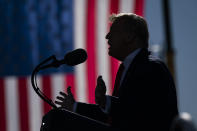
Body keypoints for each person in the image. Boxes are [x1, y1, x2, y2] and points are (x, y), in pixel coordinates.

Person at [55, 13, 179, 131]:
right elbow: (117, 117)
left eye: (113, 32)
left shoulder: (151, 67)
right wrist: (75, 107)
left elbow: (137, 113)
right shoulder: (131, 68)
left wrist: (106, 101)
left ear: (129, 36)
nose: (107, 36)